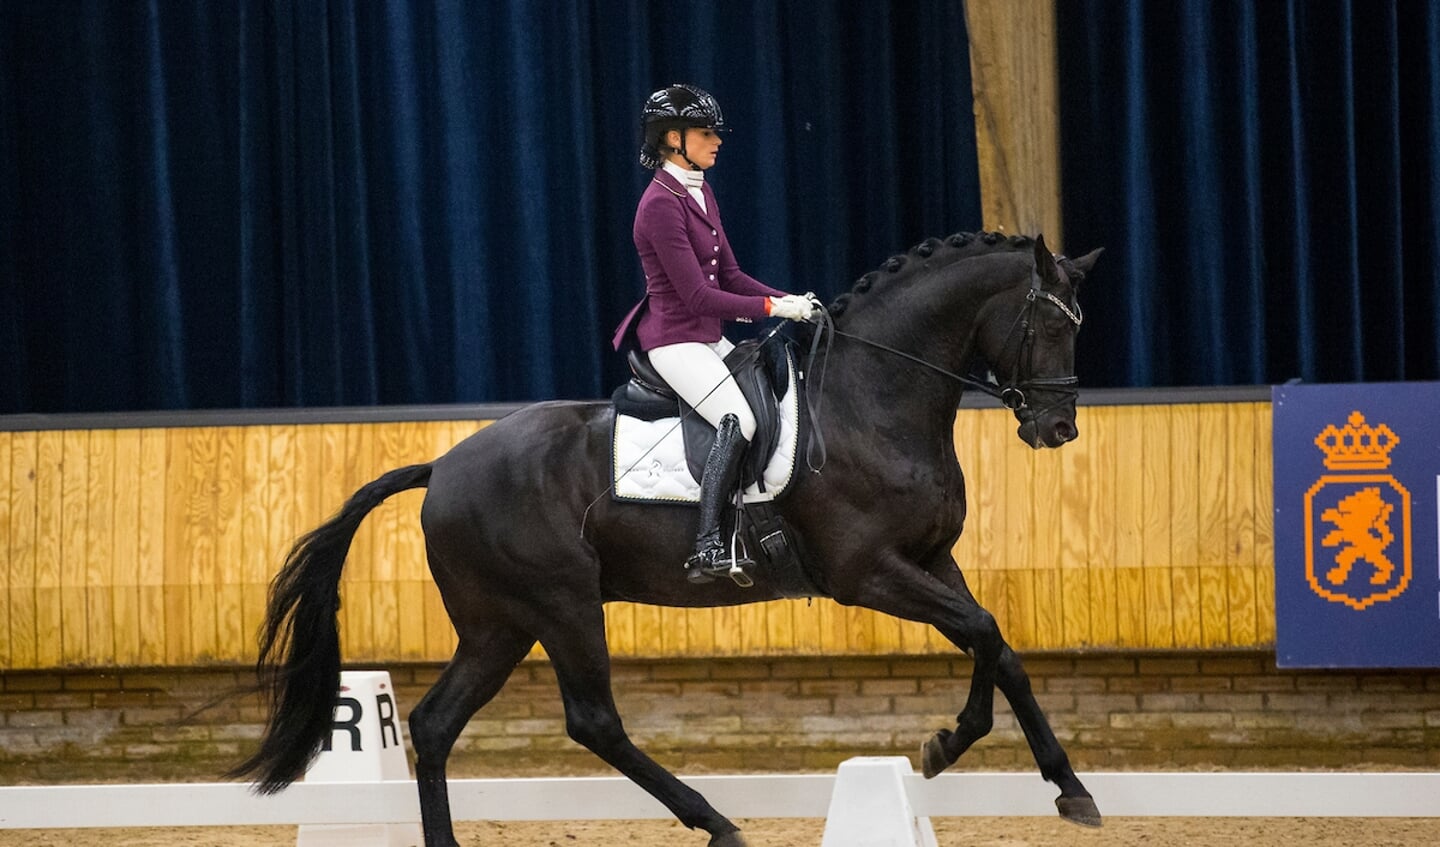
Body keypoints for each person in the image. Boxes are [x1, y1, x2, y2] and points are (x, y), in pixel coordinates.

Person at [612, 83, 817, 585]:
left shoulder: (699, 190)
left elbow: (730, 275)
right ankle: (706, 545)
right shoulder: (659, 204)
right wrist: (772, 308)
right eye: (706, 133)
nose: (717, 140)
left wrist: (787, 300)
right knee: (738, 418)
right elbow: (699, 297)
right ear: (672, 139)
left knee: (774, 401)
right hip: (675, 341)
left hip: (705, 338)